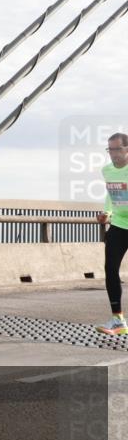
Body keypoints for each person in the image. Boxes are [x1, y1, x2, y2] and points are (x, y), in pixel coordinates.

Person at [96, 132, 128, 336]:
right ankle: (118, 320)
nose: (113, 154)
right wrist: (107, 212)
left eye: (117, 149)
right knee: (110, 269)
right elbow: (111, 194)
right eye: (110, 149)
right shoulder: (106, 170)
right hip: (119, 224)